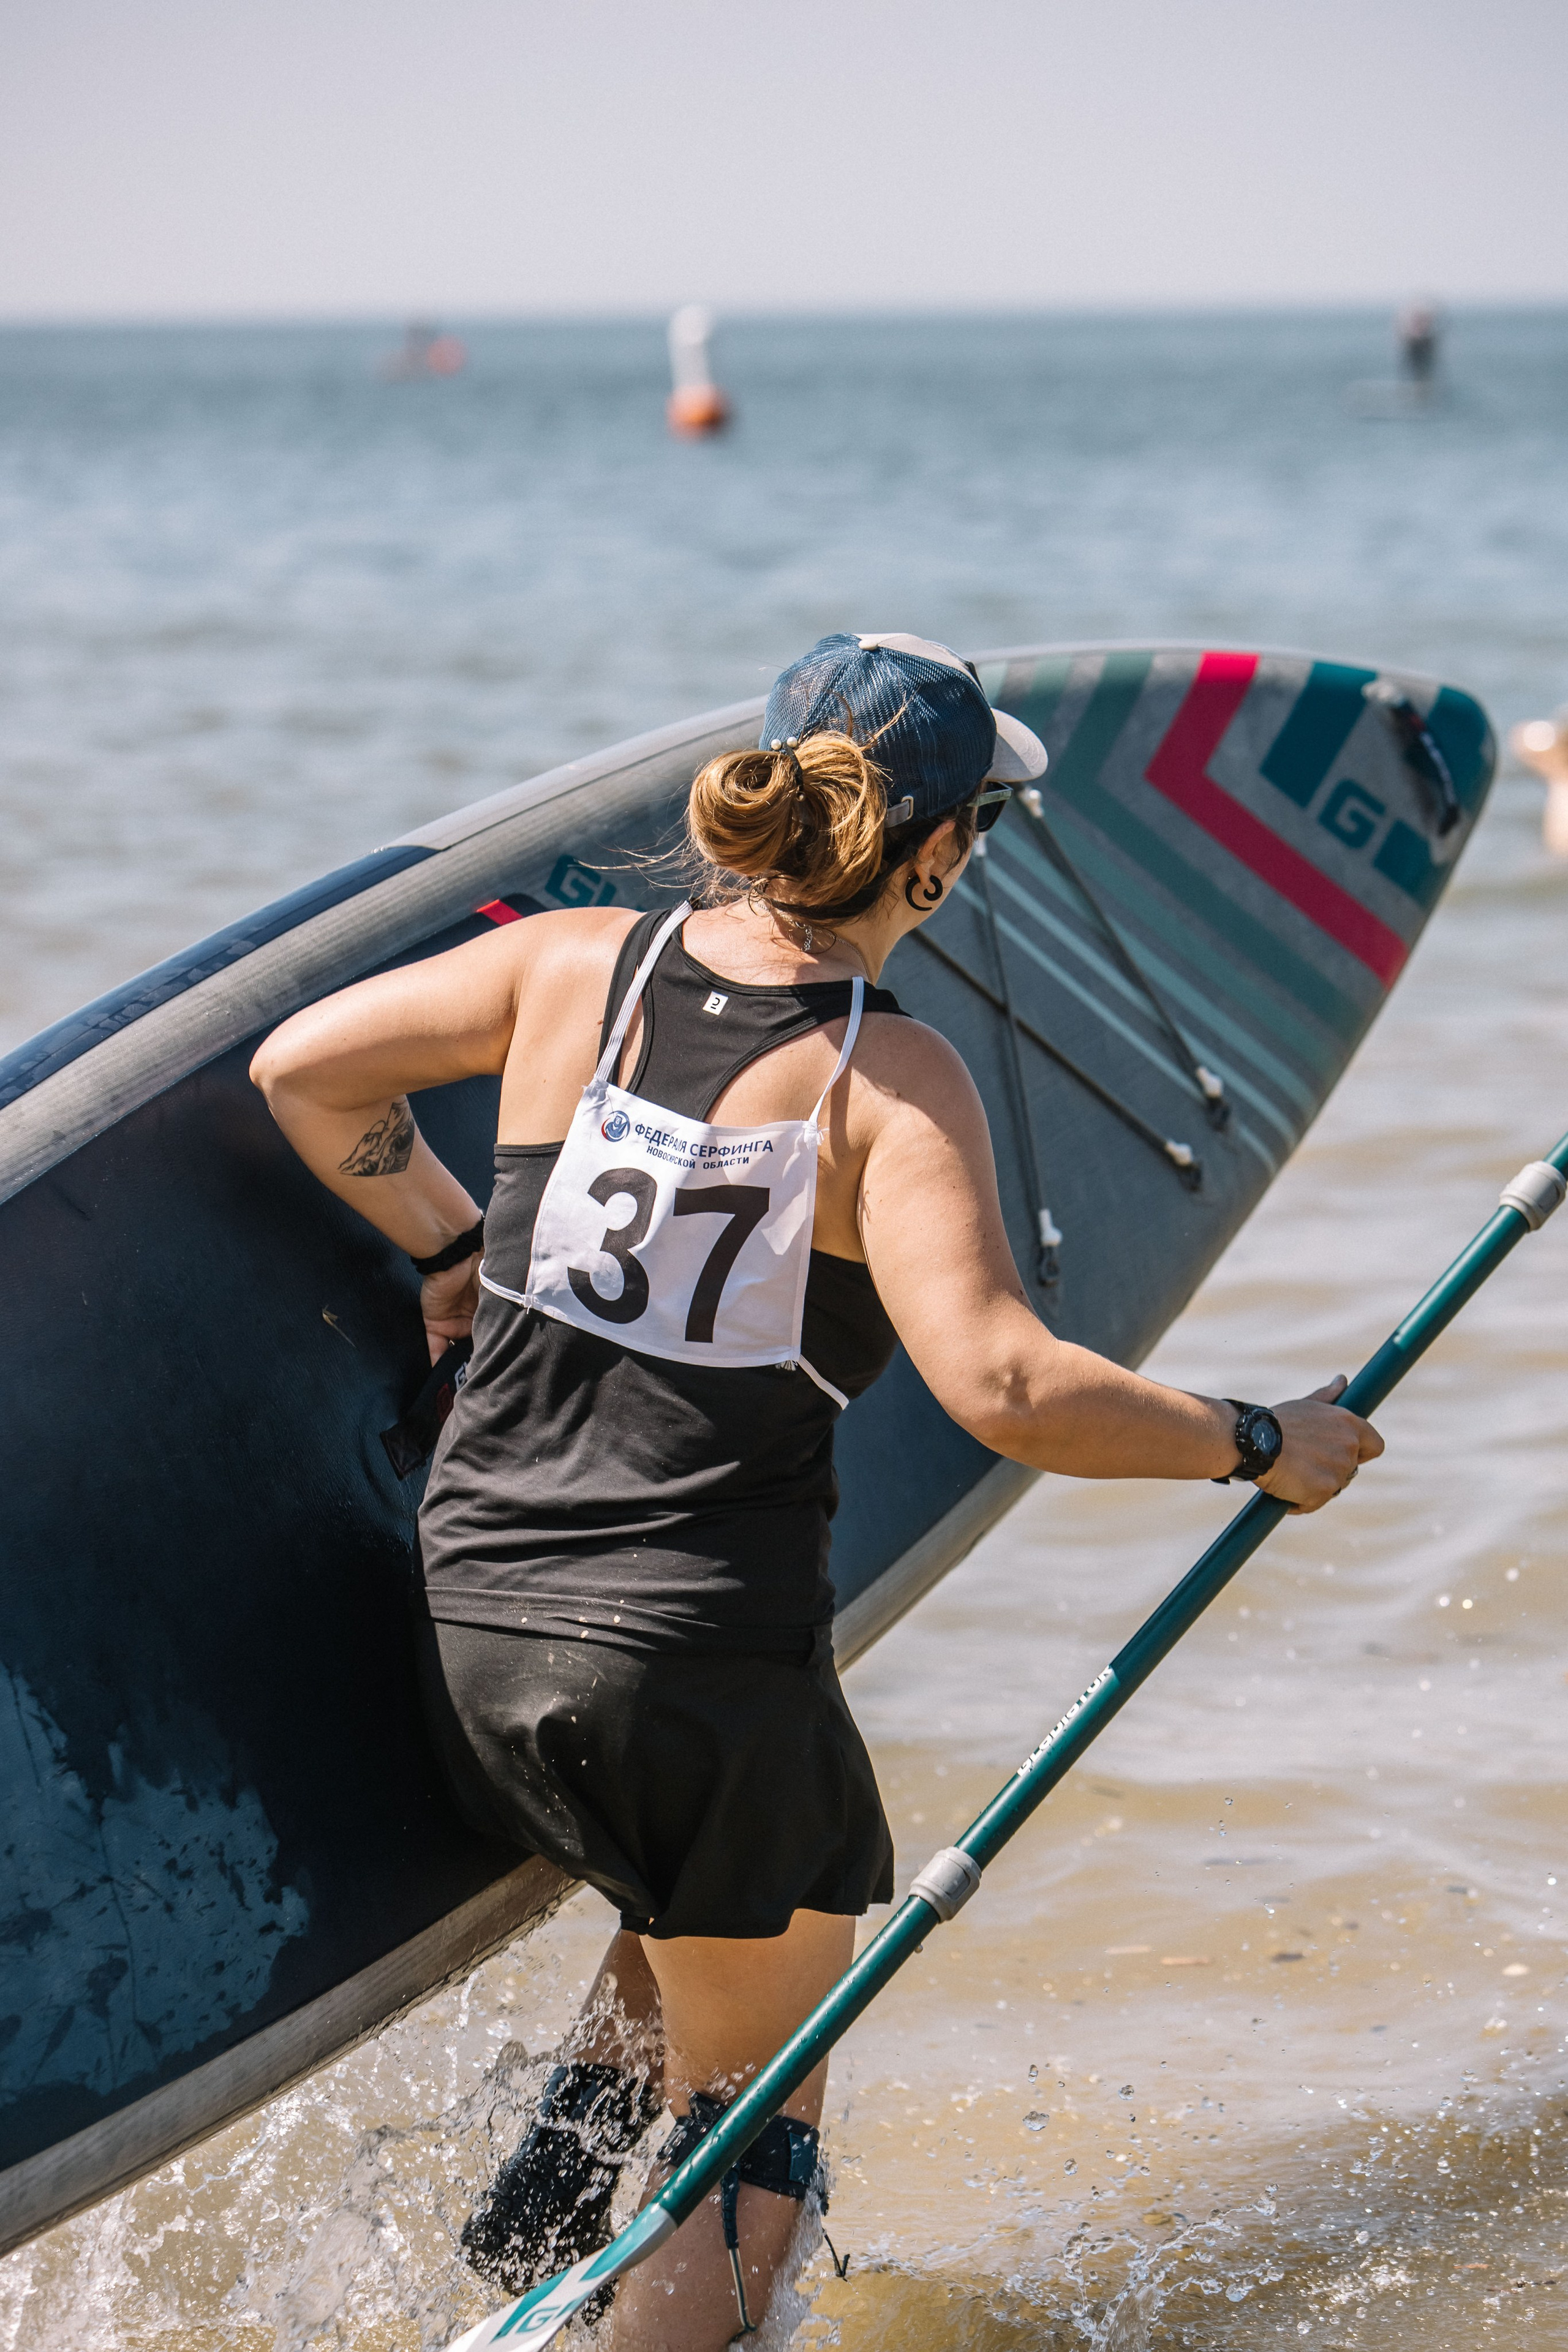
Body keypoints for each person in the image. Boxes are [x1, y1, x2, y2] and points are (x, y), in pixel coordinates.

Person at [251, 632, 1380, 2348]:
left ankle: (530, 2235)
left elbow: (302, 1073)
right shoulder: (886, 1077)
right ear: (927, 855)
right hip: (696, 1666)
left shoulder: (573, 971)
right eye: (983, 833)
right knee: (752, 2124)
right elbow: (1004, 1383)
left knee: (699, 1917)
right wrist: (1256, 1440)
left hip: (475, 1630)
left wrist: (451, 1246)